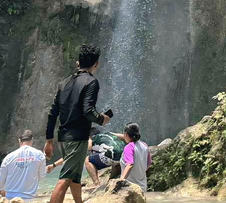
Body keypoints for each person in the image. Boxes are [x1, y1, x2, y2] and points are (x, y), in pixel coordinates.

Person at [45, 45, 111, 203]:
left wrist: (49, 140)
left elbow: (53, 113)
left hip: (63, 137)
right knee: (65, 179)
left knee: (74, 176)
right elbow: (88, 111)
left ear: (78, 63)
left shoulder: (64, 83)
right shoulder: (91, 82)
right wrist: (102, 119)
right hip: (77, 137)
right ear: (96, 64)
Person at [0, 130, 47, 200]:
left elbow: (1, 178)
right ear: (32, 140)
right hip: (30, 198)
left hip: (11, 198)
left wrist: (2, 190)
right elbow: (42, 176)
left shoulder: (8, 157)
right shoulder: (40, 155)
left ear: (19, 141)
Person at [117, 124, 151, 193]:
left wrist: (121, 180)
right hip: (142, 186)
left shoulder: (129, 147)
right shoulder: (144, 145)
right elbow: (149, 163)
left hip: (130, 188)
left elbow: (129, 164)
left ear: (126, 135)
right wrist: (139, 171)